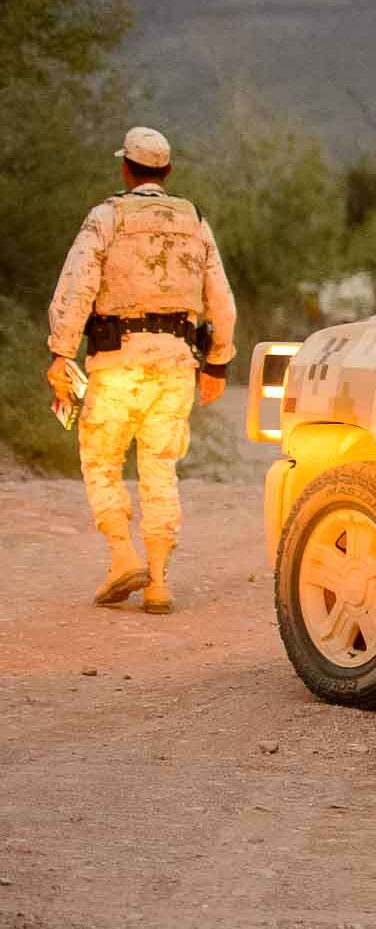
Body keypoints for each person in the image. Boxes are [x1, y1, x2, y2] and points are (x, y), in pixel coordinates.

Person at [45, 127, 237, 615]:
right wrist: (217, 362)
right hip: (175, 363)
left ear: (126, 169)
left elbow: (76, 289)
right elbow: (223, 303)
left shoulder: (106, 216)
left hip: (116, 360)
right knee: (160, 466)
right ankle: (158, 583)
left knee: (101, 460)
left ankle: (122, 556)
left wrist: (61, 354)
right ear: (167, 172)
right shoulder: (195, 220)